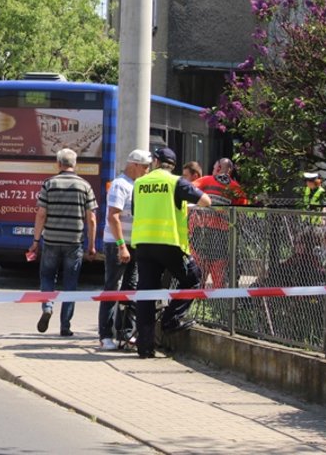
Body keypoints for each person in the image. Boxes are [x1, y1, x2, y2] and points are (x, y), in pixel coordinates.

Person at [132, 147, 211, 358]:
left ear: (156, 162)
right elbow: (206, 201)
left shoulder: (139, 183)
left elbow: (135, 211)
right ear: (173, 165)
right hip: (169, 244)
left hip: (143, 244)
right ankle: (170, 320)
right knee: (193, 279)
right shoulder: (177, 182)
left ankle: (145, 348)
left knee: (146, 294)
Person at [26, 148, 98, 337]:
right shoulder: (85, 186)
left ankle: (47, 307)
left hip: (51, 240)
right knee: (70, 283)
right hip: (74, 242)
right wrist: (91, 245)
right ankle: (65, 326)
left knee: (47, 276)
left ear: (58, 164)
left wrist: (36, 240)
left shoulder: (49, 184)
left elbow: (41, 213)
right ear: (75, 164)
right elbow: (91, 218)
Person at [98, 148, 151, 351]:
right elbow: (113, 216)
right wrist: (121, 246)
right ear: (134, 165)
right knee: (112, 287)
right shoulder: (120, 184)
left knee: (130, 288)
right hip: (117, 244)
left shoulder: (138, 184)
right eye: (144, 167)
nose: (147, 170)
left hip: (134, 243)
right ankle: (105, 335)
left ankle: (126, 332)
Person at [192, 158, 248, 288]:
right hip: (222, 234)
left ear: (218, 168)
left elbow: (189, 188)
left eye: (214, 168)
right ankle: (219, 298)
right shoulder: (236, 188)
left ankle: (197, 295)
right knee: (218, 273)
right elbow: (242, 213)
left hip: (202, 231)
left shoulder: (206, 180)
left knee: (199, 272)